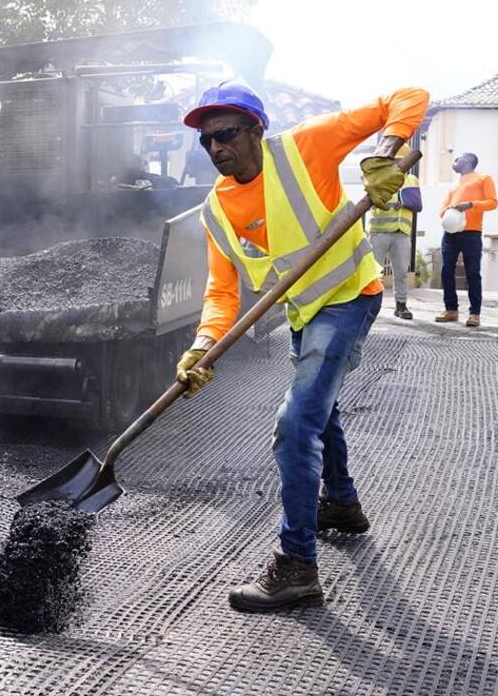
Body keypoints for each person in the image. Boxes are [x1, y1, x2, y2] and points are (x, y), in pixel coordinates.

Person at [175, 80, 429, 613]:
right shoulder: (216, 210)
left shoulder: (305, 146)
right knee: (319, 408)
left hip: (351, 296)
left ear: (256, 130)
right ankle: (341, 503)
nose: (216, 147)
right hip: (305, 311)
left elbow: (407, 96)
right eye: (206, 140)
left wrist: (386, 155)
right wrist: (202, 346)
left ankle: (296, 566)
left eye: (226, 133)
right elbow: (221, 293)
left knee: (295, 425)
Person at [435, 153, 495, 327]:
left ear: (468, 161)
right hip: (450, 234)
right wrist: (449, 211)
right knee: (446, 271)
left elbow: (493, 202)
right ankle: (451, 310)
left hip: (472, 233)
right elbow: (441, 210)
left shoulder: (483, 179)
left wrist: (470, 204)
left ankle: (474, 313)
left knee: (473, 273)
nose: (454, 162)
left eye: (457, 159)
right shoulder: (453, 185)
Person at [367, 145, 421, 320]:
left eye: (402, 159)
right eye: (397, 159)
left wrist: (405, 203)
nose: (400, 163)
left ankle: (401, 306)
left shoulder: (412, 180)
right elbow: (371, 196)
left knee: (401, 272)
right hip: (379, 231)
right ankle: (370, 307)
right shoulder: (380, 176)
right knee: (374, 272)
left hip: (402, 232)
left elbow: (417, 204)